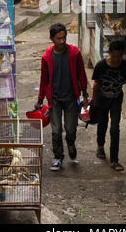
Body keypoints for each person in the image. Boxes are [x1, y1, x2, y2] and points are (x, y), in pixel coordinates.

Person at [35, 23, 89, 171]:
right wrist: (40, 99)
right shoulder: (46, 57)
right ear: (51, 38)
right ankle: (58, 157)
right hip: (55, 100)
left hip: (71, 98)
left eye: (64, 37)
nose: (62, 41)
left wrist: (85, 94)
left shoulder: (74, 53)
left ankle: (70, 143)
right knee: (56, 130)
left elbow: (81, 75)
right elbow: (44, 79)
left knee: (71, 129)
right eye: (59, 38)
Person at [90, 40, 126, 172]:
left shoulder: (125, 66)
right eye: (114, 56)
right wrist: (93, 100)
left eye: (119, 56)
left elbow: (125, 80)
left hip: (116, 100)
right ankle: (100, 146)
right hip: (102, 99)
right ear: (109, 53)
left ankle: (114, 160)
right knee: (102, 124)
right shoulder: (101, 66)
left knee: (115, 129)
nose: (116, 59)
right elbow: (96, 84)